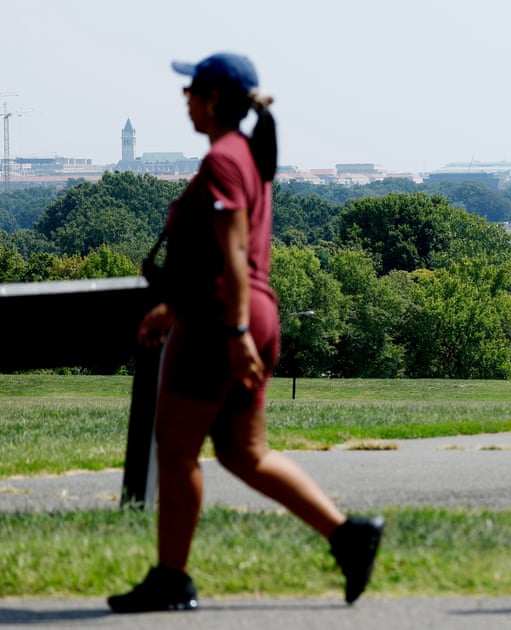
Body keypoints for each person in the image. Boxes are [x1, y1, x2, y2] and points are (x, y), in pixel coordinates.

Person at [108, 53, 383, 613]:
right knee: (242, 453)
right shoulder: (247, 158)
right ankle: (348, 536)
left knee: (177, 449)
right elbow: (218, 256)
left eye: (191, 89)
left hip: (221, 323)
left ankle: (171, 579)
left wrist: (233, 332)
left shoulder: (224, 163)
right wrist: (175, 308)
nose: (184, 97)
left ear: (212, 99)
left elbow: (233, 253)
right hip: (243, 312)